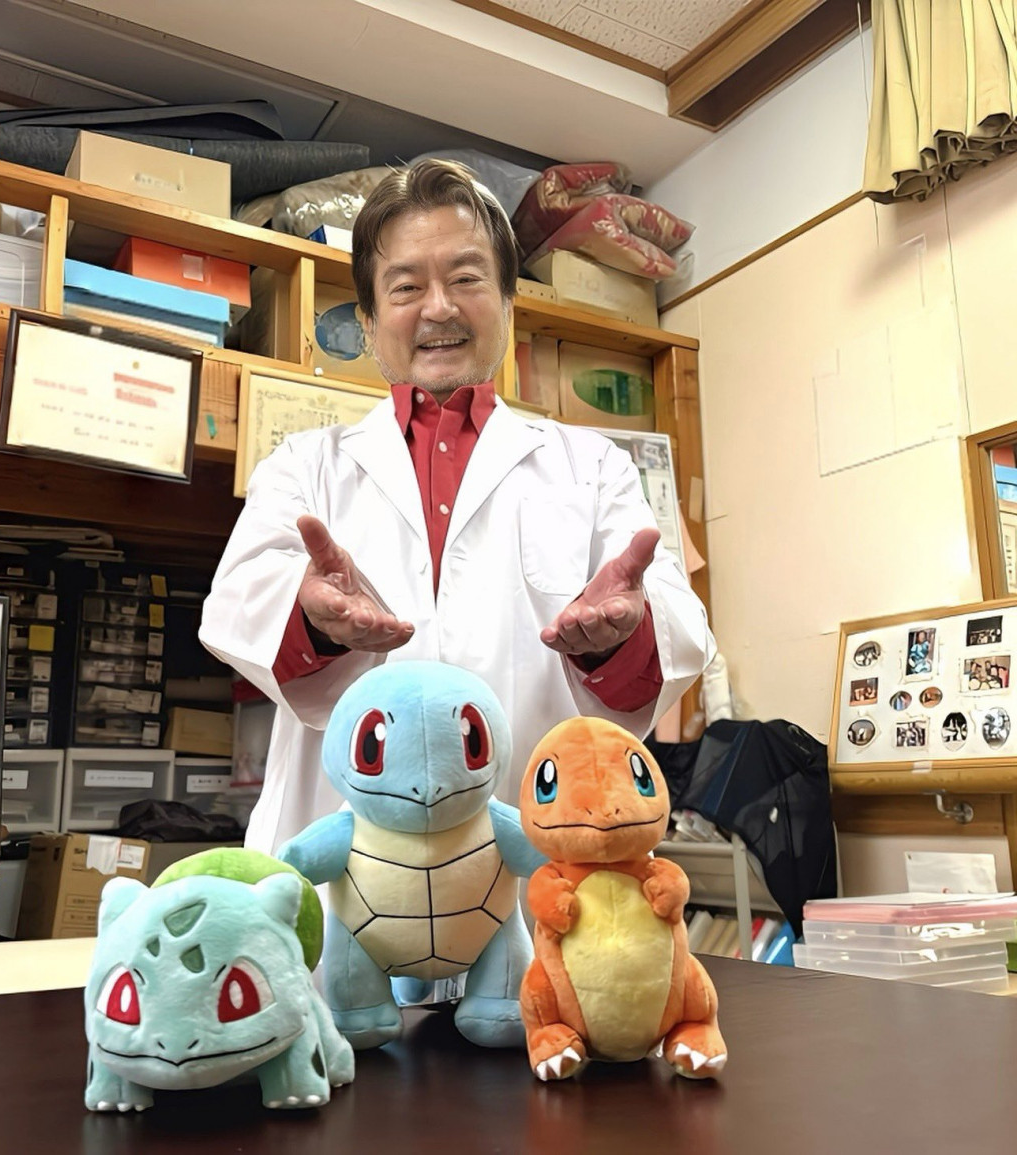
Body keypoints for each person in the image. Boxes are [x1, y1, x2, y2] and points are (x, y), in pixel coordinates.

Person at [201, 159, 715, 854]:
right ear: (368, 320)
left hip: (529, 870)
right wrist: (314, 624)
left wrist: (619, 639)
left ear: (508, 302)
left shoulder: (594, 468)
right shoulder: (304, 466)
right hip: (343, 866)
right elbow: (237, 614)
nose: (439, 308)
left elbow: (679, 639)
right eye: (406, 286)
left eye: (467, 279)